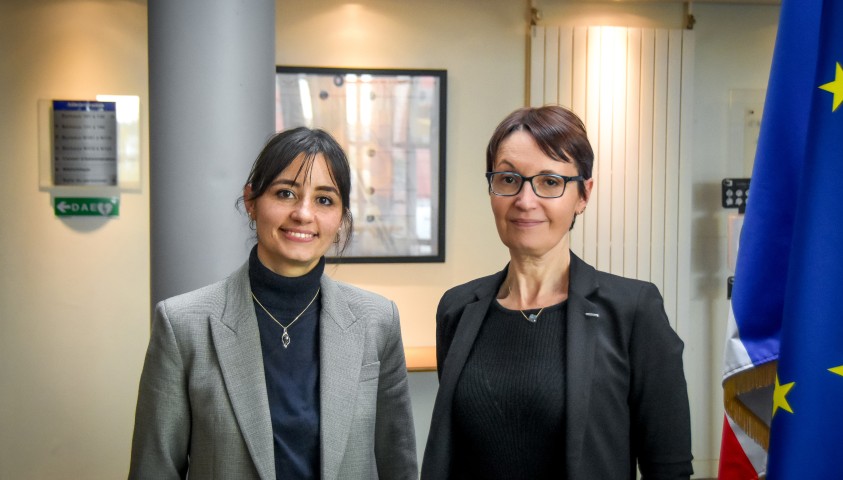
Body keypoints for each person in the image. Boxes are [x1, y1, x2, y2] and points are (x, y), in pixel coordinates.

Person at [129, 127, 418, 479]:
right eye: (285, 193)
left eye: (324, 200)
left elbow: (398, 465)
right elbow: (154, 470)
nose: (303, 214)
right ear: (251, 201)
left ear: (341, 218)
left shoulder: (377, 320)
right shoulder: (182, 325)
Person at [421, 105, 692, 479]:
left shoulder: (633, 310)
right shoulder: (457, 308)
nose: (525, 200)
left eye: (550, 181)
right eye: (508, 179)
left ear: (583, 195)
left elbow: (669, 468)